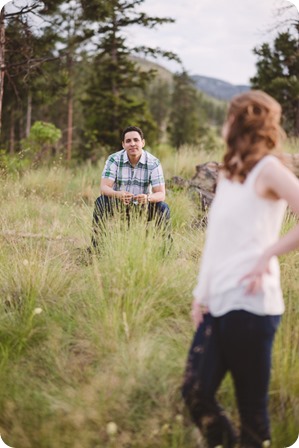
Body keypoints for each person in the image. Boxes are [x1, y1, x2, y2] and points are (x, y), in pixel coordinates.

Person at [182, 90, 299, 448]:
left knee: (253, 417)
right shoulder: (230, 173)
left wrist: (269, 254)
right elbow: (216, 243)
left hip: (251, 306)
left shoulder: (269, 168)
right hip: (217, 302)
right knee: (195, 392)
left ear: (238, 121)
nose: (222, 123)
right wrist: (200, 296)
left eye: (226, 116)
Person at [91, 126, 170, 248]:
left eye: (136, 140)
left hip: (143, 207)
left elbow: (161, 194)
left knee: (163, 207)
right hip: (119, 206)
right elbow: (104, 188)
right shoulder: (114, 159)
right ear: (123, 144)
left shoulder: (153, 163)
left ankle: (165, 249)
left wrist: (147, 198)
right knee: (101, 202)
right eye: (128, 141)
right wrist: (118, 194)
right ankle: (96, 249)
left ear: (142, 143)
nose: (132, 144)